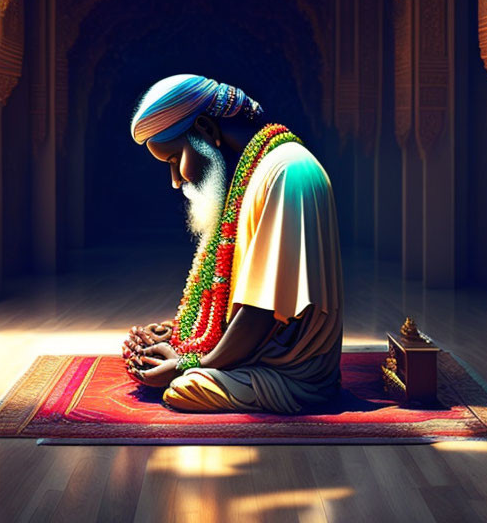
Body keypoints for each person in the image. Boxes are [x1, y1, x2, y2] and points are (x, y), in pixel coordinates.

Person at [123, 74, 343, 414]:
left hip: (289, 370)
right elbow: (235, 298)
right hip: (255, 346)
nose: (175, 180)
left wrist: (185, 364)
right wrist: (180, 332)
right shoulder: (250, 173)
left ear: (206, 130)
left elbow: (262, 313)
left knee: (183, 389)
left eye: (172, 159)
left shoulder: (287, 171)